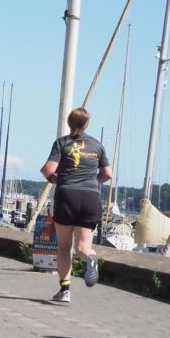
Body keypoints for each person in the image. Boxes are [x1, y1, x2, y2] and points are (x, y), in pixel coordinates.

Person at [40, 108, 112, 303]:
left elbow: (49, 169)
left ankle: (65, 290)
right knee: (82, 247)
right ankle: (90, 257)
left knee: (64, 247)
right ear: (87, 124)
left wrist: (50, 176)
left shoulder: (62, 143)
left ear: (69, 123)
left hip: (67, 195)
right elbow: (107, 173)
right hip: (90, 198)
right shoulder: (97, 145)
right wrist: (93, 181)